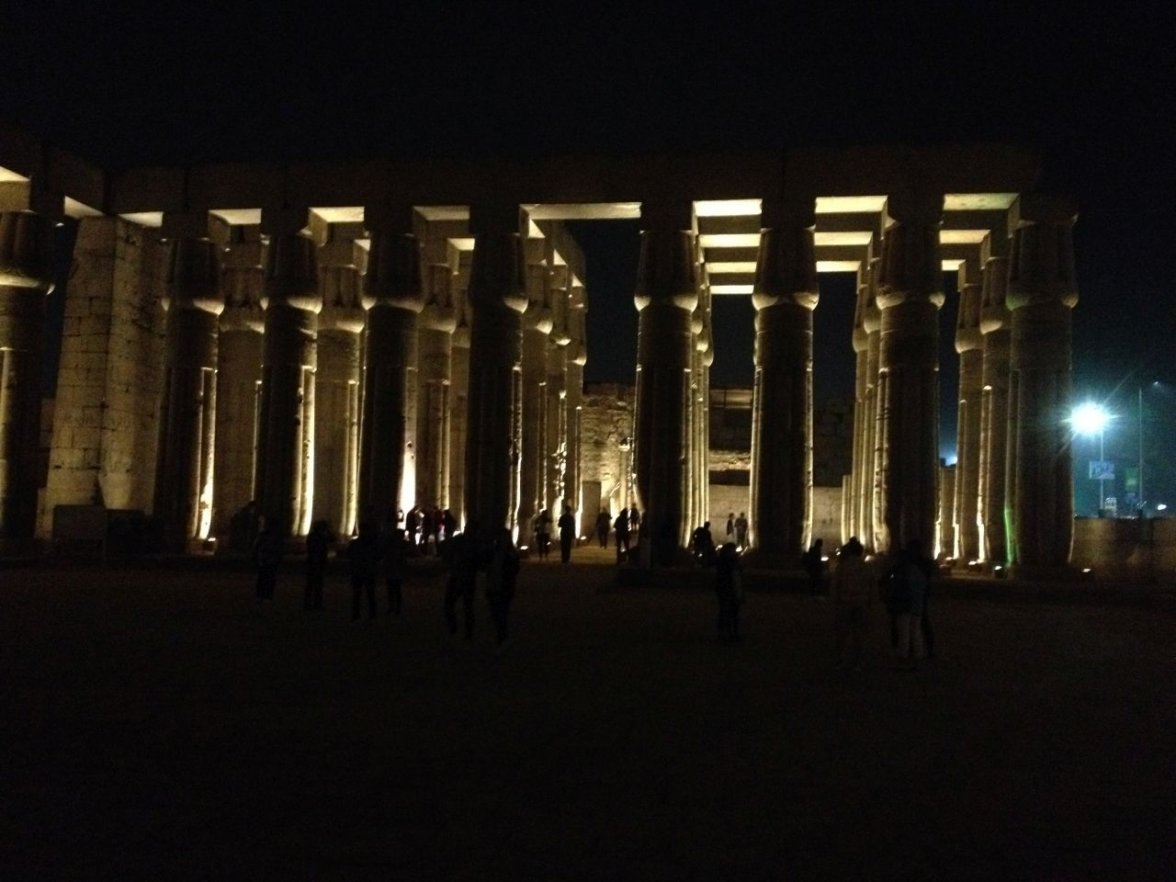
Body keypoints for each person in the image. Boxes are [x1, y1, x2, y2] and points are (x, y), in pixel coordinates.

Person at [882, 539, 929, 670]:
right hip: (917, 604)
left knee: (904, 631)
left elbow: (893, 585)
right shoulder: (918, 570)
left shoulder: (902, 571)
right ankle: (918, 654)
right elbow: (924, 586)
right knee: (916, 631)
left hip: (904, 605)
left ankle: (903, 655)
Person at [830, 537, 874, 670]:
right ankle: (857, 663)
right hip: (861, 603)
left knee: (842, 633)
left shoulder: (842, 566)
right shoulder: (866, 567)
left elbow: (835, 585)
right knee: (859, 635)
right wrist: (871, 602)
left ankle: (839, 660)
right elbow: (872, 586)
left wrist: (835, 600)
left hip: (845, 602)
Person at [485, 528, 520, 650]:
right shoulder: (493, 552)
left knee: (502, 614)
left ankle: (502, 638)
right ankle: (502, 636)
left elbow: (515, 570)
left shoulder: (511, 554)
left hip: (504, 588)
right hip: (493, 586)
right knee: (495, 613)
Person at [444, 524, 480, 640]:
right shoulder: (466, 542)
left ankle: (461, 630)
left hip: (464, 577)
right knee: (463, 606)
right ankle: (462, 630)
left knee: (465, 606)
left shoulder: (471, 543)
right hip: (461, 577)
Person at [347, 521, 380, 621]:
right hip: (366, 570)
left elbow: (350, 555)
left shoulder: (355, 543)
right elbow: (377, 556)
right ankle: (371, 614)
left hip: (359, 570)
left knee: (358, 594)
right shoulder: (371, 544)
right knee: (368, 594)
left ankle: (356, 614)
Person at [714, 542, 742, 642]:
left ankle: (732, 633)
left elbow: (738, 579)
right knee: (725, 613)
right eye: (732, 550)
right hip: (726, 591)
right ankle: (725, 634)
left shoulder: (732, 563)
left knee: (733, 614)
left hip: (731, 591)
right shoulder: (725, 563)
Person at [304, 520, 332, 611]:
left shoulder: (315, 536)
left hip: (315, 562)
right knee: (315, 585)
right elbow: (317, 550)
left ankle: (311, 603)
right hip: (316, 562)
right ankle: (314, 604)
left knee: (313, 585)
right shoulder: (317, 537)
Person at [254, 518, 283, 601]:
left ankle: (263, 594)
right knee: (267, 577)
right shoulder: (275, 536)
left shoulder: (266, 535)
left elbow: (257, 545)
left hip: (267, 558)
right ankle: (266, 594)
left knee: (265, 577)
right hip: (268, 558)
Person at [383, 524, 408, 615]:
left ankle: (394, 607)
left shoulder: (394, 546)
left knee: (394, 591)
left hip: (394, 571)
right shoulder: (399, 546)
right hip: (394, 571)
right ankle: (395, 607)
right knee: (395, 591)